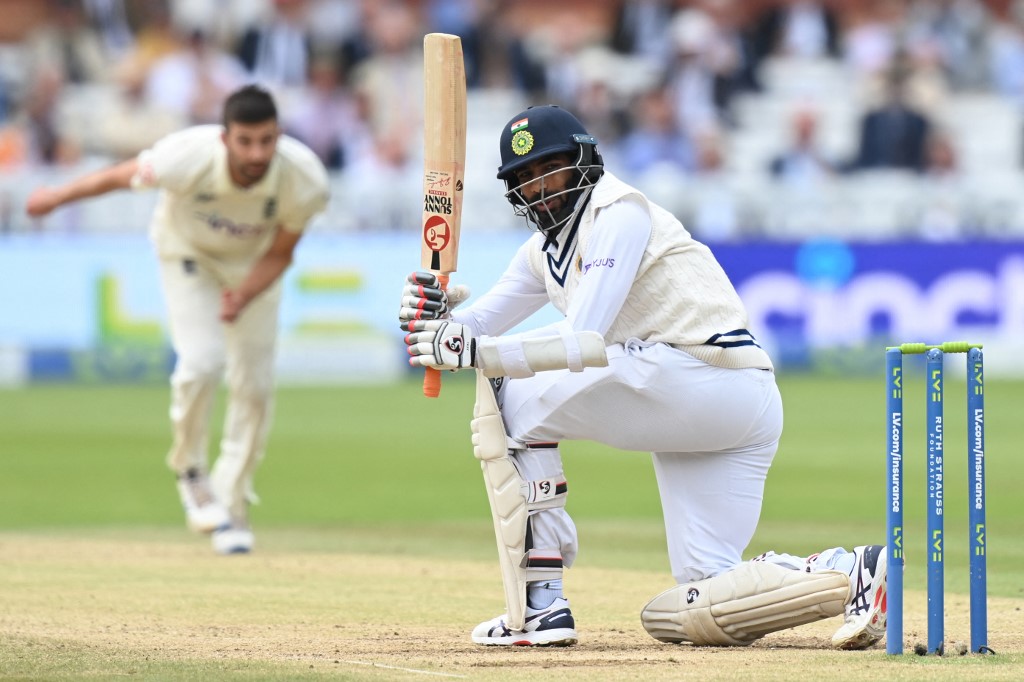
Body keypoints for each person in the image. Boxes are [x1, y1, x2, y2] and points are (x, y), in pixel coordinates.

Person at [398, 105, 887, 648]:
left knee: (510, 392)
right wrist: (432, 316)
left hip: (706, 375)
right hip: (716, 406)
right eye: (525, 179)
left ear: (584, 160)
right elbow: (474, 327)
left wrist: (474, 349)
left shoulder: (617, 213)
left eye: (550, 168)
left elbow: (581, 340)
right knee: (697, 599)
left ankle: (540, 605)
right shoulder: (541, 252)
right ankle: (855, 570)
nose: (540, 188)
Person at [25, 85, 330, 555]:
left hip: (253, 271)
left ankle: (231, 505)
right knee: (203, 362)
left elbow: (282, 251)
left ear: (278, 136)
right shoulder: (187, 156)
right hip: (187, 255)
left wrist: (243, 295)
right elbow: (120, 176)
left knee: (254, 388)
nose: (257, 153)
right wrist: (56, 198)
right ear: (225, 138)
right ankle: (191, 469)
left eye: (266, 140)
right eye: (245, 141)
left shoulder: (303, 177)